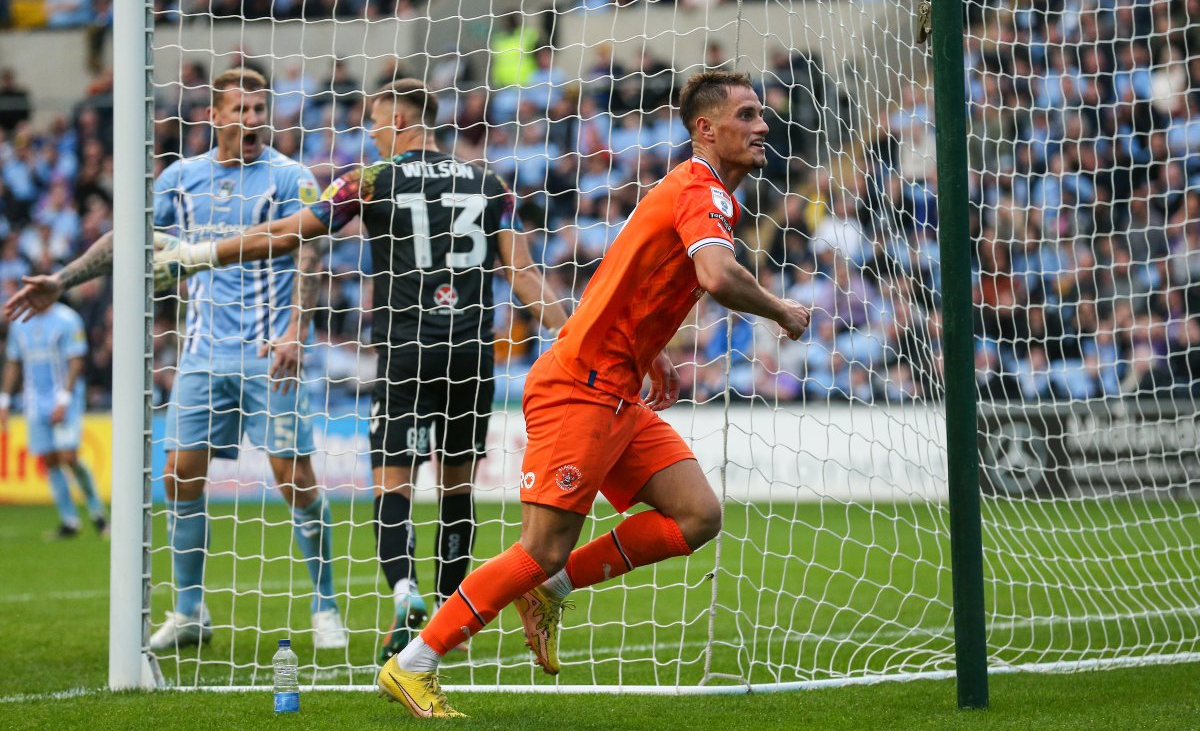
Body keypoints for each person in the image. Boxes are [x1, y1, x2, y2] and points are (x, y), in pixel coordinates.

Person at [367, 70, 811, 717]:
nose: (762, 126)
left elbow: (634, 277)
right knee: (538, 545)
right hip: (581, 385)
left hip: (617, 383)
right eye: (746, 115)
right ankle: (415, 663)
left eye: (761, 115)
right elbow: (715, 274)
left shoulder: (697, 192)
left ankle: (554, 585)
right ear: (705, 129)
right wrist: (779, 310)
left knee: (697, 516)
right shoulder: (700, 188)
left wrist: (648, 351)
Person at [151, 77, 570, 664]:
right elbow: (523, 273)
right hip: (472, 353)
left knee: (393, 484)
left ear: (400, 122)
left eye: (375, 122)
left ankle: (404, 593)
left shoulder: (370, 181)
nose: (370, 133)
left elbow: (286, 233)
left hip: (404, 350)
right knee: (455, 487)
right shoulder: (488, 182)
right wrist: (574, 333)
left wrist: (202, 253)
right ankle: (451, 610)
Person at [4, 67, 348, 652]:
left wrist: (297, 331)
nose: (253, 120)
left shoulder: (290, 176)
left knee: (295, 477)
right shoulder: (181, 178)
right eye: (240, 110)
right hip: (200, 353)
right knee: (178, 475)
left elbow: (309, 253)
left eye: (260, 109)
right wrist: (61, 281)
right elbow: (126, 237)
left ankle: (326, 605)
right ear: (214, 117)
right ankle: (190, 611)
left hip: (270, 352)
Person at [0, 301, 108, 539]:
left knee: (69, 456)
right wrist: (4, 401)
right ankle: (69, 521)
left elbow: (77, 360)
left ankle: (98, 514)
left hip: (65, 399)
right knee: (49, 459)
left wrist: (64, 398)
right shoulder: (20, 322)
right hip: (35, 401)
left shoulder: (67, 319)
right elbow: (13, 361)